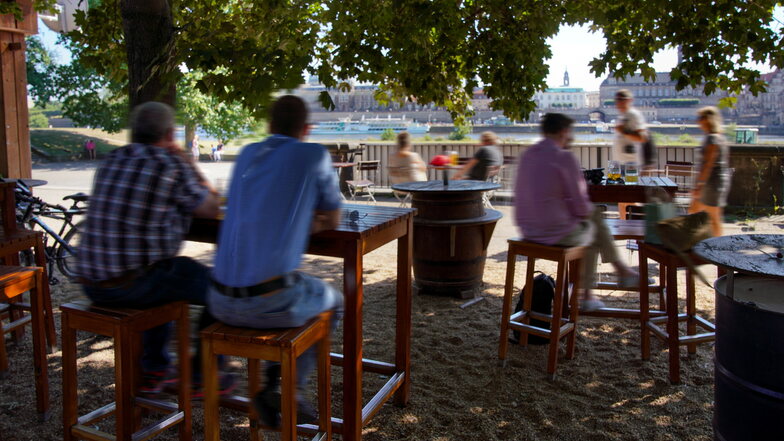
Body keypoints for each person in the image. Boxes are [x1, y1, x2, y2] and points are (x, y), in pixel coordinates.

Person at [74, 102, 234, 398]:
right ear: (170, 134)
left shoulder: (113, 159)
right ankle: (202, 374)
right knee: (222, 285)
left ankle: (156, 369)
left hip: (91, 283)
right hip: (131, 282)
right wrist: (188, 162)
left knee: (168, 271)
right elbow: (211, 208)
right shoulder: (169, 163)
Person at [208, 95, 344, 427]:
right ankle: (287, 389)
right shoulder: (313, 154)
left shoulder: (247, 154)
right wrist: (314, 221)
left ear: (269, 127)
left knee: (281, 284)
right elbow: (335, 216)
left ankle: (222, 370)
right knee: (335, 302)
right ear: (306, 129)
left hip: (217, 301)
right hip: (269, 303)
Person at [515, 113, 640, 312]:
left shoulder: (528, 155)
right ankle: (592, 290)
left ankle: (611, 278)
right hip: (552, 233)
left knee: (591, 222)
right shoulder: (564, 157)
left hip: (527, 230)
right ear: (564, 131)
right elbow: (581, 204)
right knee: (592, 228)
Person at [689, 106, 730, 236]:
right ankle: (701, 240)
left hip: (712, 182)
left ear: (708, 120)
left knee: (713, 217)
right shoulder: (718, 137)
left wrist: (699, 185)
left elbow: (708, 164)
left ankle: (716, 244)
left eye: (700, 118)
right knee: (697, 211)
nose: (698, 121)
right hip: (714, 181)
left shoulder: (712, 138)